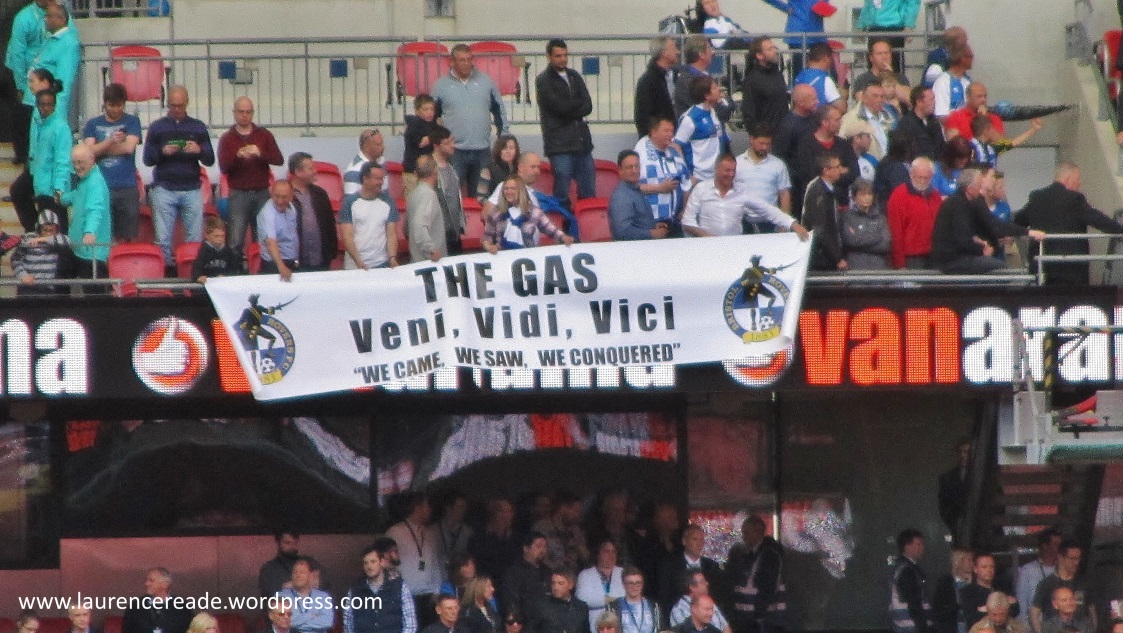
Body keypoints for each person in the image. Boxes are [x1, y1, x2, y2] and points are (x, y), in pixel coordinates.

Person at [142, 86, 215, 271]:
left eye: (180, 106)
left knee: (194, 239)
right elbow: (147, 159)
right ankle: (166, 275)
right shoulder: (157, 127)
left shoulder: (197, 126)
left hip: (192, 188)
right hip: (164, 188)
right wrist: (163, 152)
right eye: (173, 105)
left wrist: (199, 150)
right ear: (168, 104)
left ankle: (192, 273)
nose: (176, 109)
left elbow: (210, 159)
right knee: (163, 239)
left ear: (187, 103)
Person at [930, 167, 1043, 274]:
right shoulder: (957, 205)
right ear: (969, 189)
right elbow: (963, 239)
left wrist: (1026, 232)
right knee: (1001, 268)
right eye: (979, 185)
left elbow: (993, 223)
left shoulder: (971, 201)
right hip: (952, 260)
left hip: (960, 256)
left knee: (996, 265)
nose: (981, 188)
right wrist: (981, 250)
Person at [433, 43, 509, 197]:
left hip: (482, 150)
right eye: (462, 60)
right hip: (454, 151)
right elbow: (432, 117)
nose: (466, 63)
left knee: (482, 195)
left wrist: (504, 136)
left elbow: (499, 110)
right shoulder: (441, 85)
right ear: (452, 62)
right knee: (452, 195)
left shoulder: (486, 81)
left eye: (469, 59)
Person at [682, 154, 809, 238]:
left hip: (735, 245)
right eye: (727, 170)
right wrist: (707, 236)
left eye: (733, 170)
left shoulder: (742, 190)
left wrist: (793, 224)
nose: (731, 174)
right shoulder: (701, 189)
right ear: (716, 170)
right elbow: (687, 220)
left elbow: (767, 210)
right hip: (707, 245)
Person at [217, 96, 283, 256]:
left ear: (253, 113)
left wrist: (260, 153)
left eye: (248, 112)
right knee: (235, 240)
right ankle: (234, 269)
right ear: (234, 113)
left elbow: (279, 160)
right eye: (241, 112)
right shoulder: (227, 138)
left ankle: (260, 267)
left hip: (262, 193)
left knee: (263, 238)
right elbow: (224, 167)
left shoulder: (264, 135)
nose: (245, 115)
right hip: (238, 194)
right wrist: (237, 157)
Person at [536, 38, 595, 212]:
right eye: (558, 56)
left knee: (589, 190)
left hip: (582, 143)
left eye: (565, 55)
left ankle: (585, 224)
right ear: (549, 57)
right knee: (561, 192)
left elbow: (588, 105)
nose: (563, 59)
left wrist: (570, 108)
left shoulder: (574, 76)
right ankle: (563, 224)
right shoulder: (543, 80)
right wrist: (577, 107)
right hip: (559, 145)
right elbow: (558, 108)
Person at [83, 82, 142, 242]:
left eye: (119, 105)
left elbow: (128, 148)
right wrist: (110, 142)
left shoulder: (132, 121)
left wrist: (99, 149)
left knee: (128, 236)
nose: (115, 109)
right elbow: (88, 153)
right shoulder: (92, 124)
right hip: (100, 186)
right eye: (111, 105)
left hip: (127, 186)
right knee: (103, 235)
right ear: (104, 103)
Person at [13, 83, 71, 234]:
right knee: (18, 191)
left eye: (49, 105)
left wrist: (59, 188)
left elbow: (62, 160)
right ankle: (32, 229)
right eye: (43, 105)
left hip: (52, 184)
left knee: (56, 225)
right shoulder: (37, 120)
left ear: (54, 105)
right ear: (37, 105)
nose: (46, 108)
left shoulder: (60, 127)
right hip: (38, 176)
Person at [5, 0, 55, 164]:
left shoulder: (57, 12)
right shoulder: (24, 18)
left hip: (43, 72)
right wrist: (21, 85)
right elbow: (17, 52)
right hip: (20, 70)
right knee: (21, 113)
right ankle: (21, 154)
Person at [386, 492, 444, 622]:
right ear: (418, 508)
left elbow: (436, 563)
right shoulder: (395, 532)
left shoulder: (430, 533)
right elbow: (387, 564)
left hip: (429, 596)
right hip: (405, 595)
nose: (430, 510)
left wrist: (437, 590)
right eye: (427, 506)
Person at [793, 105, 859, 211]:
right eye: (836, 120)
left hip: (842, 204)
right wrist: (840, 170)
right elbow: (810, 174)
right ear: (824, 123)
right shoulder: (806, 144)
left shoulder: (843, 144)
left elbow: (854, 172)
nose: (840, 123)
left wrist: (830, 174)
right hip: (816, 204)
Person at [343, 542, 418, 633]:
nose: (369, 566)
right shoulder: (355, 591)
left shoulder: (400, 587)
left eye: (373, 562)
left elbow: (410, 624)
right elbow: (348, 624)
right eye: (365, 563)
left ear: (382, 562)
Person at [482, 175, 572, 252]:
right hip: (503, 257)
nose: (509, 192)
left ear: (521, 191)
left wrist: (564, 238)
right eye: (506, 189)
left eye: (513, 188)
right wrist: (489, 247)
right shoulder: (496, 213)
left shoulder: (534, 212)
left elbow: (552, 230)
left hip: (528, 256)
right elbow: (487, 238)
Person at [729, 516, 786, 633]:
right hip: (752, 620)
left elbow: (767, 588)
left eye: (746, 533)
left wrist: (758, 616)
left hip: (763, 622)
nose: (743, 537)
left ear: (757, 533)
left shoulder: (768, 556)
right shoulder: (752, 555)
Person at [634, 117, 690, 234]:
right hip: (652, 222)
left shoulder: (675, 153)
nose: (670, 135)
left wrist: (684, 210)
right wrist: (659, 188)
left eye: (672, 131)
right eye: (666, 131)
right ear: (653, 132)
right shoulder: (641, 154)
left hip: (675, 220)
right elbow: (633, 187)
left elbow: (686, 183)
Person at [66, 143, 112, 280]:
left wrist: (89, 232)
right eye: (74, 163)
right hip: (79, 248)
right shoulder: (85, 180)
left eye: (80, 162)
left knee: (94, 291)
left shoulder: (95, 182)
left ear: (92, 159)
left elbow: (95, 209)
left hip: (92, 252)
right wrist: (62, 198)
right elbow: (77, 196)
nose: (76, 167)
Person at [286, 151, 338, 272]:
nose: (315, 171)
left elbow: (330, 225)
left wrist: (331, 253)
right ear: (298, 172)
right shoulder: (285, 196)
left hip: (322, 261)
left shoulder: (320, 194)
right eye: (311, 168)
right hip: (295, 264)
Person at [736, 122, 792, 231]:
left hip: (769, 221)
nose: (764, 147)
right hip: (743, 221)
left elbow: (784, 194)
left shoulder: (778, 164)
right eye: (761, 143)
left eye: (768, 144)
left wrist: (784, 224)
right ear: (751, 140)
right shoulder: (737, 163)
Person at [28, 2, 78, 121]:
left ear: (61, 19)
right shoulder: (51, 39)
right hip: (38, 101)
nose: (45, 20)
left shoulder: (68, 42)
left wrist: (56, 112)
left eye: (49, 16)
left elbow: (63, 82)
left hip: (48, 106)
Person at [658, 525, 724, 615]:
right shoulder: (670, 565)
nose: (699, 544)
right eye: (695, 539)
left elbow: (718, 596)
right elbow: (664, 596)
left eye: (702, 540)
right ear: (684, 541)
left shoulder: (711, 566)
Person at [1030, 542, 1095, 633]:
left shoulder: (1084, 582)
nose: (1076, 562)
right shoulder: (1047, 583)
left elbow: (1092, 610)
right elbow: (1034, 612)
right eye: (1072, 558)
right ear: (1060, 557)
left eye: (1078, 558)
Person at [676, 75, 730, 183]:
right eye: (714, 88)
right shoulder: (690, 118)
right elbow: (677, 146)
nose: (719, 89)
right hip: (699, 178)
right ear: (707, 95)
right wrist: (687, 174)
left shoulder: (714, 112)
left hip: (717, 175)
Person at [609, 150, 670, 241]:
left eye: (637, 166)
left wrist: (653, 226)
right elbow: (622, 231)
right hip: (631, 248)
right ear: (620, 170)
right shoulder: (621, 197)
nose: (635, 170)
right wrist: (651, 233)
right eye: (629, 167)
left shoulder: (635, 190)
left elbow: (637, 222)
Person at [801, 153, 848, 271]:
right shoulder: (818, 191)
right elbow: (820, 229)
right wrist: (836, 257)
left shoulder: (830, 190)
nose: (841, 170)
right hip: (821, 257)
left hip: (827, 255)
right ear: (826, 170)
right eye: (837, 167)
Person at [11, 208, 72, 295]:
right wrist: (23, 275)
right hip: (27, 286)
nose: (48, 233)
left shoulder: (57, 240)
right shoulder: (28, 237)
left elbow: (67, 241)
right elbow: (15, 260)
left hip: (47, 288)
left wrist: (43, 239)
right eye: (45, 230)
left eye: (51, 230)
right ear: (39, 228)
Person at [759, 0, 827, 76]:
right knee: (800, 72)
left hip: (818, 35)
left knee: (822, 70)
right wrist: (785, 7)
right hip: (798, 36)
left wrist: (825, 9)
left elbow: (824, 3)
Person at [122, 568, 195, 633]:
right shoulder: (135, 606)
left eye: (151, 580)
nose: (146, 583)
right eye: (146, 580)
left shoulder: (182, 607)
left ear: (165, 584)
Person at [675, 35, 729, 122]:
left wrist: (721, 101)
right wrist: (720, 102)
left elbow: (728, 104)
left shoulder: (706, 76)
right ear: (702, 55)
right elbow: (705, 109)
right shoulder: (686, 81)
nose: (712, 52)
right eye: (709, 49)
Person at [576, 540, 627, 632]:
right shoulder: (585, 574)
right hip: (594, 622)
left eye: (613, 551)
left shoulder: (622, 572)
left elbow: (628, 596)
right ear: (598, 554)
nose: (611, 554)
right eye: (607, 551)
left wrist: (607, 600)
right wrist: (609, 600)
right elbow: (582, 599)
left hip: (619, 623)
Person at [856, 0, 920, 73]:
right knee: (874, 64)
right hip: (874, 29)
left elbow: (913, 2)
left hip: (894, 28)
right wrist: (861, 25)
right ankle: (874, 80)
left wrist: (908, 25)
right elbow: (868, 4)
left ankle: (895, 79)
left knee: (894, 65)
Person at [740, 37, 789, 133]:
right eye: (770, 49)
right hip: (765, 134)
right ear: (759, 55)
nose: (775, 51)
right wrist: (757, 134)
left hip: (782, 132)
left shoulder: (777, 74)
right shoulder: (752, 80)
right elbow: (749, 111)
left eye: (774, 47)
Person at [430, 126, 467, 255]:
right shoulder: (430, 169)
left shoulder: (452, 166)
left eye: (452, 141)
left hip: (454, 230)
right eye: (447, 143)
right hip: (439, 231)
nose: (452, 145)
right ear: (436, 146)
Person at [634, 37, 680, 138]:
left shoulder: (673, 75)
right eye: (674, 48)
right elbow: (643, 116)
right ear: (664, 53)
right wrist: (651, 139)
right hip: (657, 140)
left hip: (671, 137)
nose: (678, 52)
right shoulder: (648, 81)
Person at [889, 529, 933, 633]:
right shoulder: (907, 570)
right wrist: (923, 627)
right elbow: (914, 602)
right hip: (912, 625)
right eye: (918, 544)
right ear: (907, 546)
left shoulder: (899, 567)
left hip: (903, 624)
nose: (922, 548)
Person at [841, 178, 891, 269]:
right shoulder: (847, 217)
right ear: (854, 197)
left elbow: (885, 245)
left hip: (878, 269)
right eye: (863, 194)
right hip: (855, 269)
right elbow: (850, 241)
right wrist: (877, 237)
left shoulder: (880, 218)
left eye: (869, 194)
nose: (867, 197)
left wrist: (857, 246)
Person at [406, 155, 448, 263]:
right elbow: (419, 225)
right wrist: (431, 250)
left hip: (416, 259)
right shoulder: (428, 195)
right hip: (429, 262)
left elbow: (406, 229)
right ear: (435, 172)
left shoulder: (412, 194)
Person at [469, 497, 522, 583]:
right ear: (493, 513)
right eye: (501, 511)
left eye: (509, 511)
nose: (506, 516)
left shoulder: (517, 539)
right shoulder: (479, 538)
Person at [1016, 530, 1062, 628]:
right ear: (1045, 546)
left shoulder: (1062, 569)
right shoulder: (1027, 570)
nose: (1059, 549)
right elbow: (1022, 604)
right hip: (1034, 624)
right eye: (1056, 544)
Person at [500, 532, 550, 621]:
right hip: (525, 620)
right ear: (526, 548)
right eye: (538, 546)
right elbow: (511, 600)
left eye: (545, 547)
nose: (542, 550)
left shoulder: (547, 571)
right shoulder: (515, 572)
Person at [961, 555, 1018, 630]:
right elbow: (972, 617)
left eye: (992, 567)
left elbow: (1016, 610)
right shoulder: (968, 591)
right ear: (975, 569)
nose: (989, 570)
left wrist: (985, 609)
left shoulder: (1003, 588)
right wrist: (1004, 604)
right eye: (984, 567)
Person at [277, 558, 335, 633]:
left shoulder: (323, 596)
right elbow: (282, 622)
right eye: (295, 572)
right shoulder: (281, 596)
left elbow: (327, 622)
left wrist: (295, 624)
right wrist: (310, 615)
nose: (298, 576)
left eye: (302, 573)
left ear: (310, 576)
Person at [257, 180, 300, 280]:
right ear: (271, 193)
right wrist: (281, 266)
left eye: (284, 197)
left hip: (292, 260)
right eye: (276, 196)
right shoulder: (267, 214)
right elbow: (270, 242)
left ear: (291, 196)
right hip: (274, 264)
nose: (280, 201)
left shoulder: (292, 208)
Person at [839, 82, 892, 161]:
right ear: (864, 97)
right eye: (875, 96)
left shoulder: (889, 118)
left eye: (882, 96)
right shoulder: (851, 118)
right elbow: (842, 142)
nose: (879, 100)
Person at [773, 84, 819, 170]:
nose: (817, 102)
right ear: (800, 102)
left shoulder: (816, 118)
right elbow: (779, 155)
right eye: (813, 99)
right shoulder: (788, 126)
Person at [970, 115, 1043, 168]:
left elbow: (1013, 142)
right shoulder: (970, 147)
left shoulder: (991, 148)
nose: (996, 131)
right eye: (993, 128)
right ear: (986, 130)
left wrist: (1034, 129)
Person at [403, 94, 440, 197]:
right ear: (417, 111)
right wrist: (437, 133)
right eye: (425, 109)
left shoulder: (432, 125)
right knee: (413, 198)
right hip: (413, 172)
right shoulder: (414, 125)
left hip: (428, 172)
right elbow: (421, 142)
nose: (430, 112)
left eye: (432, 109)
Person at [896, 86, 945, 160]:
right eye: (931, 99)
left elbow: (941, 146)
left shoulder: (934, 122)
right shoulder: (907, 124)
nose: (934, 102)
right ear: (919, 102)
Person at [793, 43, 844, 112]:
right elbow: (841, 107)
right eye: (831, 59)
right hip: (818, 117)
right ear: (826, 59)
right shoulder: (825, 79)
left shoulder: (799, 76)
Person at [937, 438, 971, 539]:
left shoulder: (982, 477)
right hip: (958, 528)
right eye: (960, 452)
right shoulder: (947, 478)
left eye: (966, 452)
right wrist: (955, 523)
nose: (963, 456)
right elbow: (944, 505)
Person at [933, 549, 973, 633]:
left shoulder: (975, 582)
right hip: (952, 625)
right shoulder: (946, 583)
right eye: (969, 560)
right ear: (959, 562)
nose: (972, 563)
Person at [608, 567, 660, 633]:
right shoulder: (614, 607)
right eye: (630, 583)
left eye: (638, 583)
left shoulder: (654, 606)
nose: (634, 587)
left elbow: (659, 629)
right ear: (623, 585)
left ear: (642, 584)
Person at [193, 216, 243, 282]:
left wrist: (226, 276)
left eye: (222, 236)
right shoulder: (203, 251)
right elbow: (196, 269)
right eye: (216, 236)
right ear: (207, 235)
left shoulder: (229, 251)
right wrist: (199, 277)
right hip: (207, 284)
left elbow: (234, 270)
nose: (220, 239)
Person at [874, 134, 915, 209]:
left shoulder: (885, 161)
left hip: (883, 204)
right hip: (893, 207)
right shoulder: (896, 168)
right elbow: (901, 193)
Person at [343, 129, 389, 196]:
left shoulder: (381, 161)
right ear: (366, 147)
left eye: (382, 143)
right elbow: (350, 200)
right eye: (378, 145)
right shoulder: (354, 170)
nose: (383, 147)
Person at [932, 46, 973, 121]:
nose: (973, 59)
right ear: (962, 59)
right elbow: (941, 115)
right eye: (970, 56)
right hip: (951, 127)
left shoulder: (968, 81)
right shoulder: (942, 82)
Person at [437, 493, 475, 572]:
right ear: (449, 508)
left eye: (464, 507)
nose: (463, 511)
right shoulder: (433, 532)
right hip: (438, 573)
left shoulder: (468, 533)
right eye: (460, 507)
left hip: (458, 575)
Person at [477, 135, 520, 204]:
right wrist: (495, 207)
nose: (508, 151)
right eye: (504, 148)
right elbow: (480, 197)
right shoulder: (488, 169)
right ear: (499, 150)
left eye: (511, 148)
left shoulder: (519, 168)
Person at [260, 531, 302, 597]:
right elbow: (267, 593)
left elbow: (319, 585)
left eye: (295, 543)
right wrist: (286, 587)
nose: (292, 546)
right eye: (287, 543)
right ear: (279, 543)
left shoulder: (307, 565)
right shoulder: (269, 568)